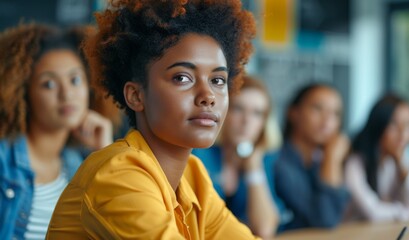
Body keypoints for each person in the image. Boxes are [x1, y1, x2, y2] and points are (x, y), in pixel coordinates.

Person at [46, 0, 260, 239]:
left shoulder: (193, 175)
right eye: (182, 78)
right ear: (136, 96)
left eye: (218, 80)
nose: (208, 96)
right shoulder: (119, 175)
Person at [0, 24, 115, 240]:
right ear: (22, 93)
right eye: (49, 84)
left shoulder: (78, 164)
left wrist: (105, 153)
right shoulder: (3, 160)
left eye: (75, 80)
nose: (67, 94)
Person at [193, 75, 285, 238]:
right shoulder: (198, 152)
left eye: (257, 113)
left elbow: (264, 229)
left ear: (265, 122)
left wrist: (253, 167)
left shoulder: (263, 159)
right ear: (222, 111)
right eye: (238, 108)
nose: (247, 121)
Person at [274, 83, 350, 230]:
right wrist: (332, 159)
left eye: (335, 113)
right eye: (317, 108)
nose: (327, 121)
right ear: (293, 113)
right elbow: (325, 220)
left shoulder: (315, 161)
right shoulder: (279, 161)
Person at [345, 94, 409, 222]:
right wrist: (405, 212)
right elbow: (372, 212)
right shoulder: (356, 162)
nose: (403, 133)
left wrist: (403, 167)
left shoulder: (402, 161)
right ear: (378, 124)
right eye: (394, 123)